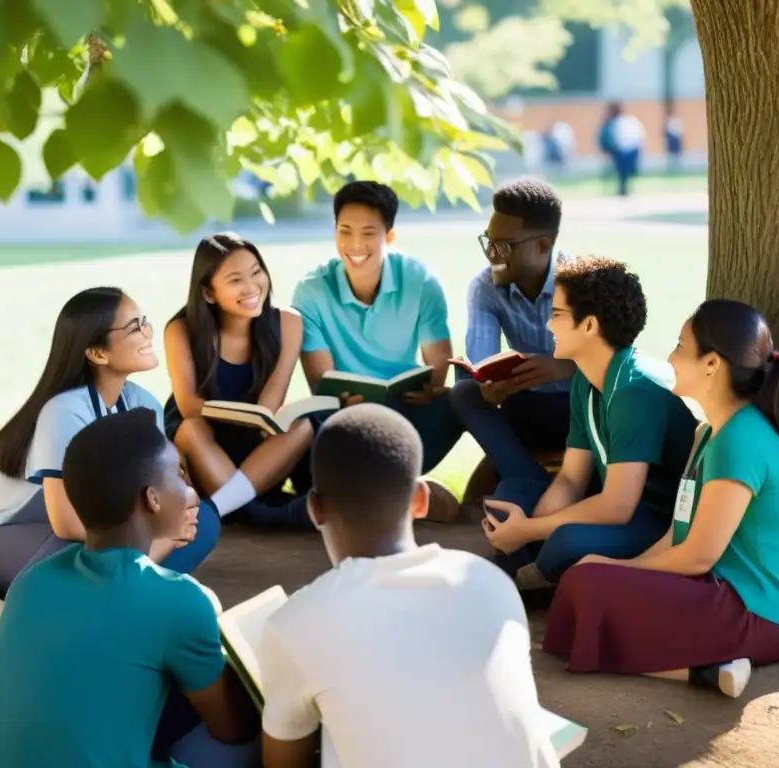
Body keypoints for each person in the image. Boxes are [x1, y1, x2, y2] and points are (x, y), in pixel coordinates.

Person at [256, 404, 559, 768]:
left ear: (315, 508)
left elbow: (282, 762)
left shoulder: (295, 622)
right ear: (420, 499)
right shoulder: (489, 581)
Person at [0, 408, 260, 767]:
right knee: (263, 740)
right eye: (178, 474)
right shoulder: (177, 601)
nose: (191, 490)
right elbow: (232, 728)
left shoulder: (33, 580)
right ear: (153, 499)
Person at [543, 299, 779, 699]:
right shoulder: (709, 433)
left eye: (681, 346)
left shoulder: (740, 440)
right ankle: (708, 669)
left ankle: (715, 661)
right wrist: (624, 570)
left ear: (712, 365)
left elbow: (696, 557)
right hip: (715, 591)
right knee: (587, 578)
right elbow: (678, 534)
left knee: (588, 582)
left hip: (752, 614)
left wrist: (623, 568)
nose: (670, 357)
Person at [0, 287, 219, 598]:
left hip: (91, 530)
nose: (147, 333)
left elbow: (154, 493)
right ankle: (118, 586)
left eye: (144, 322)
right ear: (98, 353)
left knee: (202, 520)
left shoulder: (144, 404)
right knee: (90, 551)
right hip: (10, 537)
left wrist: (178, 508)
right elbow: (67, 524)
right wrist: (166, 537)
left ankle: (118, 586)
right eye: (133, 327)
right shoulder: (63, 411)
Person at [482, 257, 697, 590]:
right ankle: (532, 573)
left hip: (656, 519)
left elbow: (618, 507)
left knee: (567, 541)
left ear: (589, 326)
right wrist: (528, 524)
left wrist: (528, 531)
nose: (549, 326)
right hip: (611, 506)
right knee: (508, 497)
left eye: (556, 315)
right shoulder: (586, 378)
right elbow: (571, 479)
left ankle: (527, 575)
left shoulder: (633, 391)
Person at [291, 180, 464, 521]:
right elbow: (321, 384)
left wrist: (430, 389)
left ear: (389, 236)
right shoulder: (311, 291)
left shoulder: (421, 282)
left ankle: (382, 489)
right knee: (311, 428)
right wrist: (344, 402)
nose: (355, 244)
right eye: (345, 231)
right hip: (343, 418)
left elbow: (437, 367)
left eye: (369, 233)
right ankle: (401, 492)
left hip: (405, 413)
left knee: (462, 398)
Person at [164, 233, 320, 530]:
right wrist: (238, 415)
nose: (251, 287)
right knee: (192, 429)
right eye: (236, 280)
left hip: (255, 443)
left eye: (256, 272)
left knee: (302, 426)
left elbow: (269, 405)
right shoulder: (182, 330)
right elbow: (189, 406)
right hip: (201, 443)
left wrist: (260, 422)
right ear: (209, 293)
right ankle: (259, 512)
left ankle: (225, 508)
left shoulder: (288, 323)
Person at [449, 178, 577, 484]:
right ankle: (527, 479)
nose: (492, 254)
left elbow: (616, 363)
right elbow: (482, 361)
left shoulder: (581, 282)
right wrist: (488, 385)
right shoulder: (484, 287)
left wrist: (563, 367)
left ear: (543, 246)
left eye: (504, 246)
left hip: (580, 408)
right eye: (488, 242)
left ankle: (528, 482)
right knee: (464, 392)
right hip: (523, 404)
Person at [598, 102, 645, 197]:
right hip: (623, 150)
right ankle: (622, 189)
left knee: (624, 172)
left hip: (623, 150)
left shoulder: (616, 122)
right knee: (622, 172)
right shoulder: (624, 121)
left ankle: (623, 189)